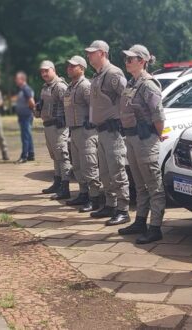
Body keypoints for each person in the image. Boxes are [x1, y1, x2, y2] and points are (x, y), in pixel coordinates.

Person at [115, 45, 167, 244]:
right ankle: (140, 221)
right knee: (139, 184)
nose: (127, 62)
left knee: (154, 185)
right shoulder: (132, 83)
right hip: (132, 138)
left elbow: (158, 115)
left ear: (143, 61)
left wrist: (156, 135)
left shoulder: (148, 84)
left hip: (145, 139)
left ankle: (155, 227)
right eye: (126, 59)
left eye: (132, 59)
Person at [85, 40, 130, 226]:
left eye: (92, 52)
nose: (88, 56)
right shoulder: (97, 75)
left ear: (102, 53)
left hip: (112, 131)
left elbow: (126, 97)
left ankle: (123, 209)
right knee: (104, 172)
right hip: (100, 130)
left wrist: (123, 121)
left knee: (117, 170)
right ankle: (111, 205)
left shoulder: (113, 73)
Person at [63, 55, 103, 212]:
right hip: (73, 130)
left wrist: (91, 120)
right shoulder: (70, 86)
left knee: (89, 165)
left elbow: (94, 105)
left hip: (86, 131)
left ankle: (94, 198)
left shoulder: (85, 86)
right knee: (78, 166)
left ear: (82, 68)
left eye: (73, 66)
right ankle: (83, 193)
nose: (69, 68)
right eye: (68, 66)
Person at [37, 60, 72, 199]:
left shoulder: (60, 87)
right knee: (55, 156)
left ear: (53, 70)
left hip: (58, 126)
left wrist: (64, 120)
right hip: (48, 124)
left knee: (62, 156)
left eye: (47, 70)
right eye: (42, 71)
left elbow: (69, 105)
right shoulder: (45, 87)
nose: (44, 74)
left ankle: (65, 186)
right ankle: (57, 182)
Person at [14, 71, 36, 164]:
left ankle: (24, 156)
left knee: (25, 136)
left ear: (22, 79)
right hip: (23, 116)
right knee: (28, 135)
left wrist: (30, 111)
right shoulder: (23, 89)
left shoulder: (26, 89)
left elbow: (32, 102)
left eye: (17, 79)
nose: (15, 80)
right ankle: (31, 154)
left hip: (26, 116)